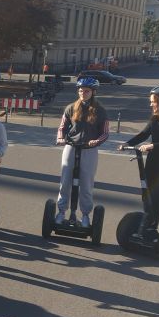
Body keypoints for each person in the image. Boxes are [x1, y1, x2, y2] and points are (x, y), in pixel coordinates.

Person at [119, 85, 159, 241]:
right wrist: (126, 144)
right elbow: (143, 134)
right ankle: (149, 228)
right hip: (153, 164)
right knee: (150, 197)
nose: (151, 104)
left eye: (153, 101)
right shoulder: (155, 119)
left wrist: (153, 146)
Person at [54, 77, 109, 226]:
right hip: (71, 146)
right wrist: (60, 138)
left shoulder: (100, 111)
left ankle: (85, 215)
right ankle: (61, 212)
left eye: (86, 91)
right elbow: (62, 127)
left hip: (89, 150)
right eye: (80, 91)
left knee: (86, 183)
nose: (83, 93)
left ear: (93, 92)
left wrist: (97, 141)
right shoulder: (71, 108)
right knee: (65, 181)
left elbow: (105, 132)